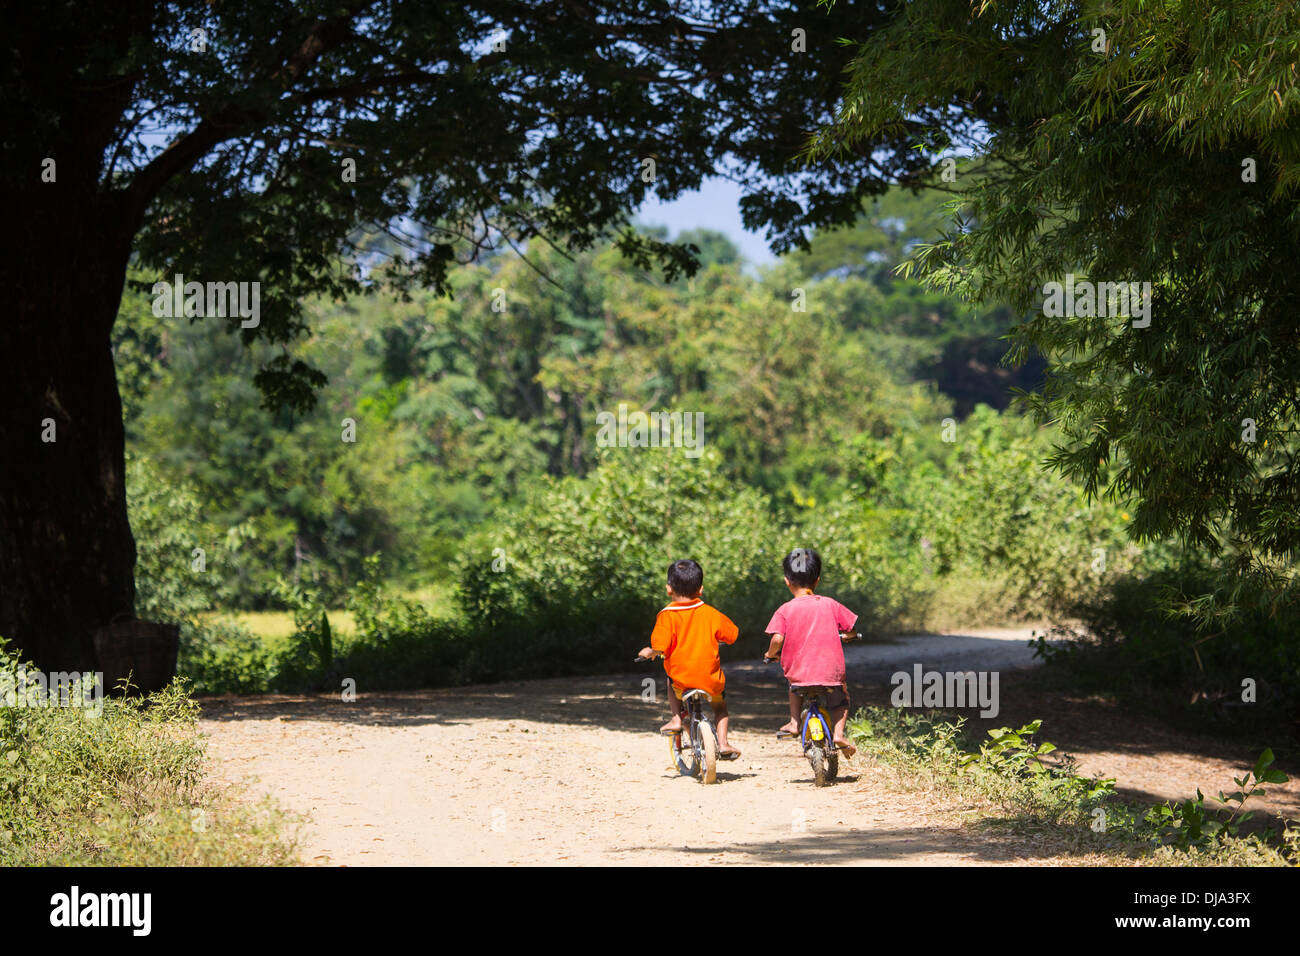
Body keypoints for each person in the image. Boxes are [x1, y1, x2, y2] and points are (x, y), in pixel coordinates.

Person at [637, 558, 741, 758]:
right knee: (720, 708)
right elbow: (733, 635)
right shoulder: (710, 613)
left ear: (669, 589)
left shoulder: (666, 616)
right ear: (700, 589)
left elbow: (660, 647)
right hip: (711, 680)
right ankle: (724, 743)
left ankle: (676, 718)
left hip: (682, 680)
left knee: (670, 679)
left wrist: (649, 652)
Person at [762, 548, 858, 757]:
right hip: (830, 674)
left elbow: (777, 639)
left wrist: (770, 655)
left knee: (794, 685)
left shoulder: (785, 609)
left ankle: (795, 722)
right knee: (840, 698)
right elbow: (851, 631)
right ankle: (839, 734)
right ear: (817, 580)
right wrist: (846, 636)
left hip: (800, 673)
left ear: (787, 581)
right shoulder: (830, 604)